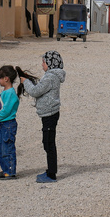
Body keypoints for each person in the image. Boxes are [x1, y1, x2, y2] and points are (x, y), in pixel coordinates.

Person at [18, 51, 65, 183]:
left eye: (43, 62)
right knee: (47, 142)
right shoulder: (50, 76)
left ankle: (51, 174)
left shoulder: (50, 77)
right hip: (48, 113)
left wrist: (25, 82)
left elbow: (35, 91)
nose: (42, 65)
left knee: (49, 143)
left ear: (50, 63)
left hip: (50, 114)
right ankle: (50, 169)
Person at [0, 65, 19, 180]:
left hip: (8, 124)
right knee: (2, 147)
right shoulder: (6, 92)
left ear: (6, 78)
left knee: (8, 147)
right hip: (4, 125)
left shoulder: (10, 93)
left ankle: (10, 171)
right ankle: (5, 168)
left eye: (0, 78)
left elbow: (6, 111)